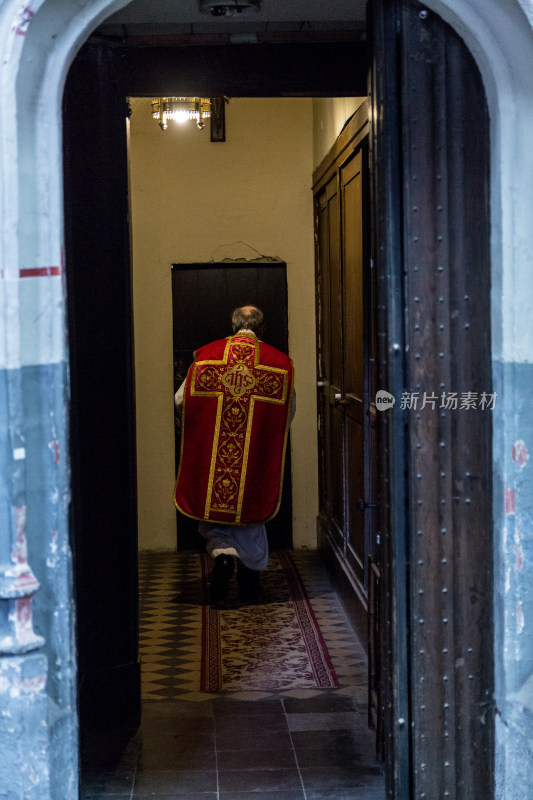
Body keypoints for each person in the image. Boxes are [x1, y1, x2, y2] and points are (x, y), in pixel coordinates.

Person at [174, 305, 295, 604]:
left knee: (216, 522)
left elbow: (180, 401)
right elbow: (287, 412)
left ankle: (223, 559)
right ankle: (250, 583)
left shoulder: (208, 357)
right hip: (254, 454)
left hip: (215, 456)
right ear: (261, 327)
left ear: (233, 325)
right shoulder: (277, 363)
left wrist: (205, 426)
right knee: (251, 517)